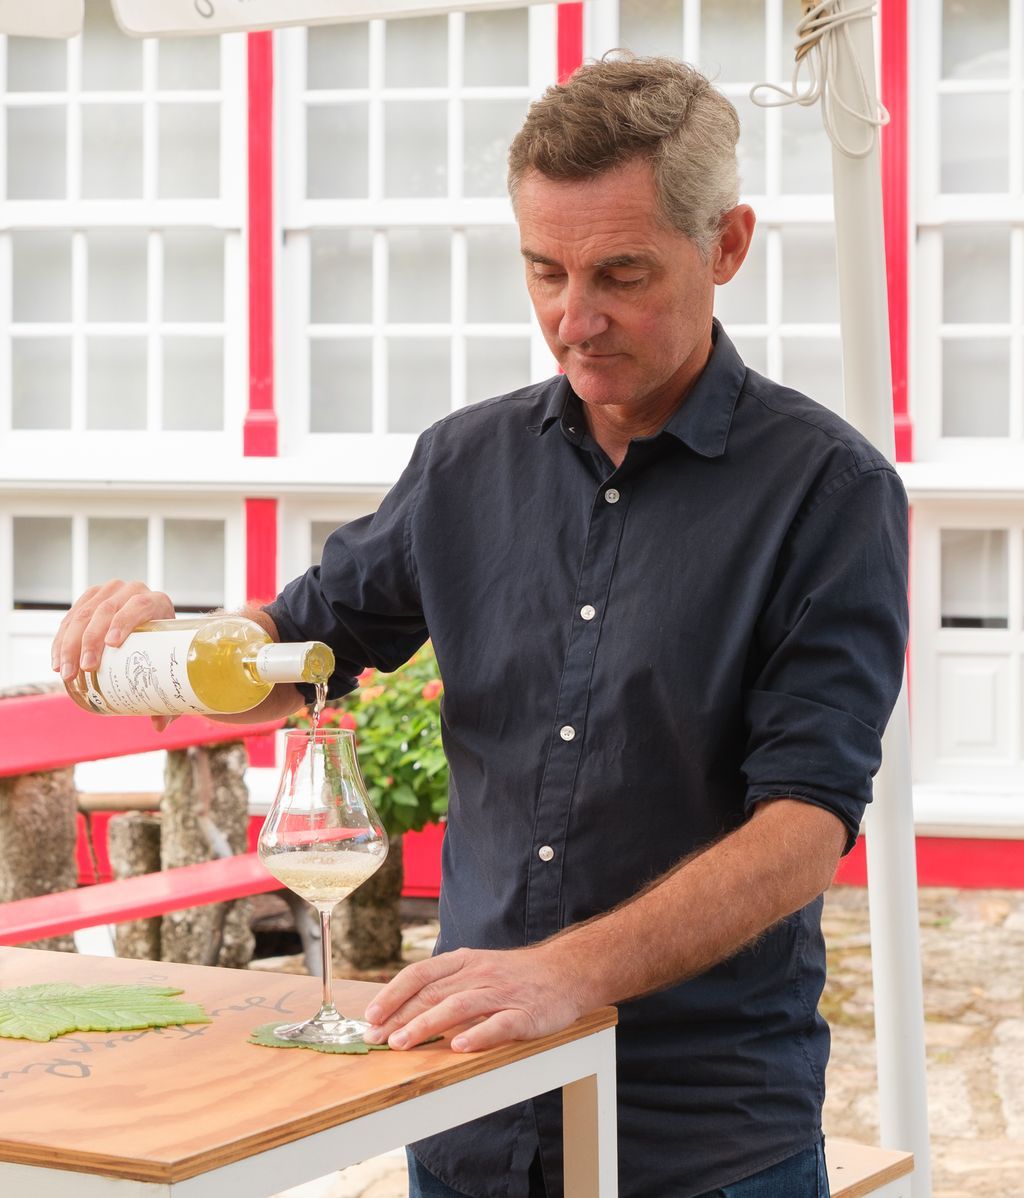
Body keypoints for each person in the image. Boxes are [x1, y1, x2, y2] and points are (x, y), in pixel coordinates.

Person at [53, 55, 908, 1198]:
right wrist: (163, 642)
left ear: (728, 246)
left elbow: (804, 827)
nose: (574, 317)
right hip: (469, 1108)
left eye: (620, 273)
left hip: (704, 1134)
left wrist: (562, 974)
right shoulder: (463, 463)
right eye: (544, 271)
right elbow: (295, 657)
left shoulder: (829, 491)